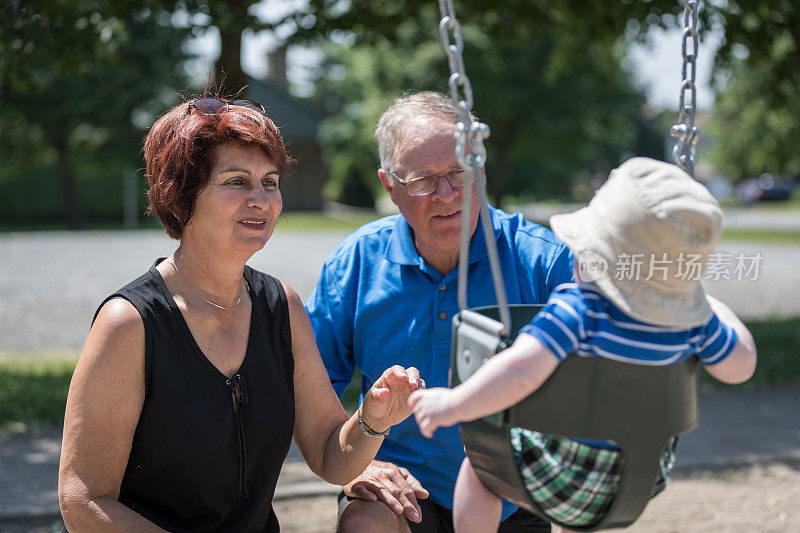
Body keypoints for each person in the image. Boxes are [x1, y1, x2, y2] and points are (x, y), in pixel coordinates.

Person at [58, 95, 422, 532]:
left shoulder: (280, 307)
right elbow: (82, 501)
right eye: (236, 181)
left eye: (270, 182)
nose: (261, 199)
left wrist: (371, 422)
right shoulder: (130, 323)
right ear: (181, 194)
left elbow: (331, 457)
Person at [409, 157, 758, 532]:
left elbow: (521, 370)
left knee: (479, 465)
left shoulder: (579, 309)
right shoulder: (694, 324)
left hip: (565, 479)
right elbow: (740, 368)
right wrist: (708, 306)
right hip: (640, 477)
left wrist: (453, 404)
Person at [305, 91, 573, 532]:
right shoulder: (358, 262)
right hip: (402, 485)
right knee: (366, 522)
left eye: (458, 173)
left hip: (513, 489)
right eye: (423, 180)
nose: (446, 194)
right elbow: (308, 388)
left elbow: (603, 363)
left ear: (480, 171)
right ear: (390, 186)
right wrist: (354, 463)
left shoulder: (541, 259)